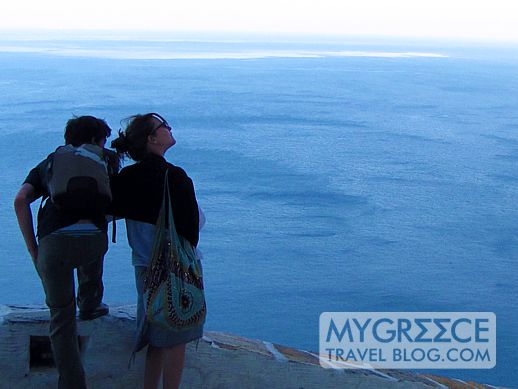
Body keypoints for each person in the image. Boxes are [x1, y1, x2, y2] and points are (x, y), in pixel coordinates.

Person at [14, 116, 117, 389]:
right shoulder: (105, 160)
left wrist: (34, 251)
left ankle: (72, 385)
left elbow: (20, 199)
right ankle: (90, 301)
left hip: (53, 246)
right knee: (94, 238)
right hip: (93, 243)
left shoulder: (50, 163)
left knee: (61, 318)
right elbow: (113, 207)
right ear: (98, 140)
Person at [110, 112, 201, 389]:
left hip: (143, 265)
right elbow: (192, 228)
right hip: (175, 268)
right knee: (176, 336)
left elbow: (113, 210)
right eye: (164, 127)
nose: (169, 129)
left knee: (155, 336)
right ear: (152, 139)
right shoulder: (174, 177)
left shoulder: (126, 176)